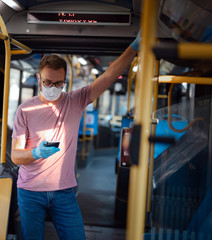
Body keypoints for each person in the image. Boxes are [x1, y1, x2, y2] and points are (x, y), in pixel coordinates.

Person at [11, 34, 140, 240]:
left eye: (58, 83)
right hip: (30, 192)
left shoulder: (75, 101)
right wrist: (36, 152)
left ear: (65, 82)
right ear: (38, 79)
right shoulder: (25, 110)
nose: (52, 88)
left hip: (64, 192)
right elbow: (16, 157)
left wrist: (134, 47)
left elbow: (108, 76)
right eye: (47, 82)